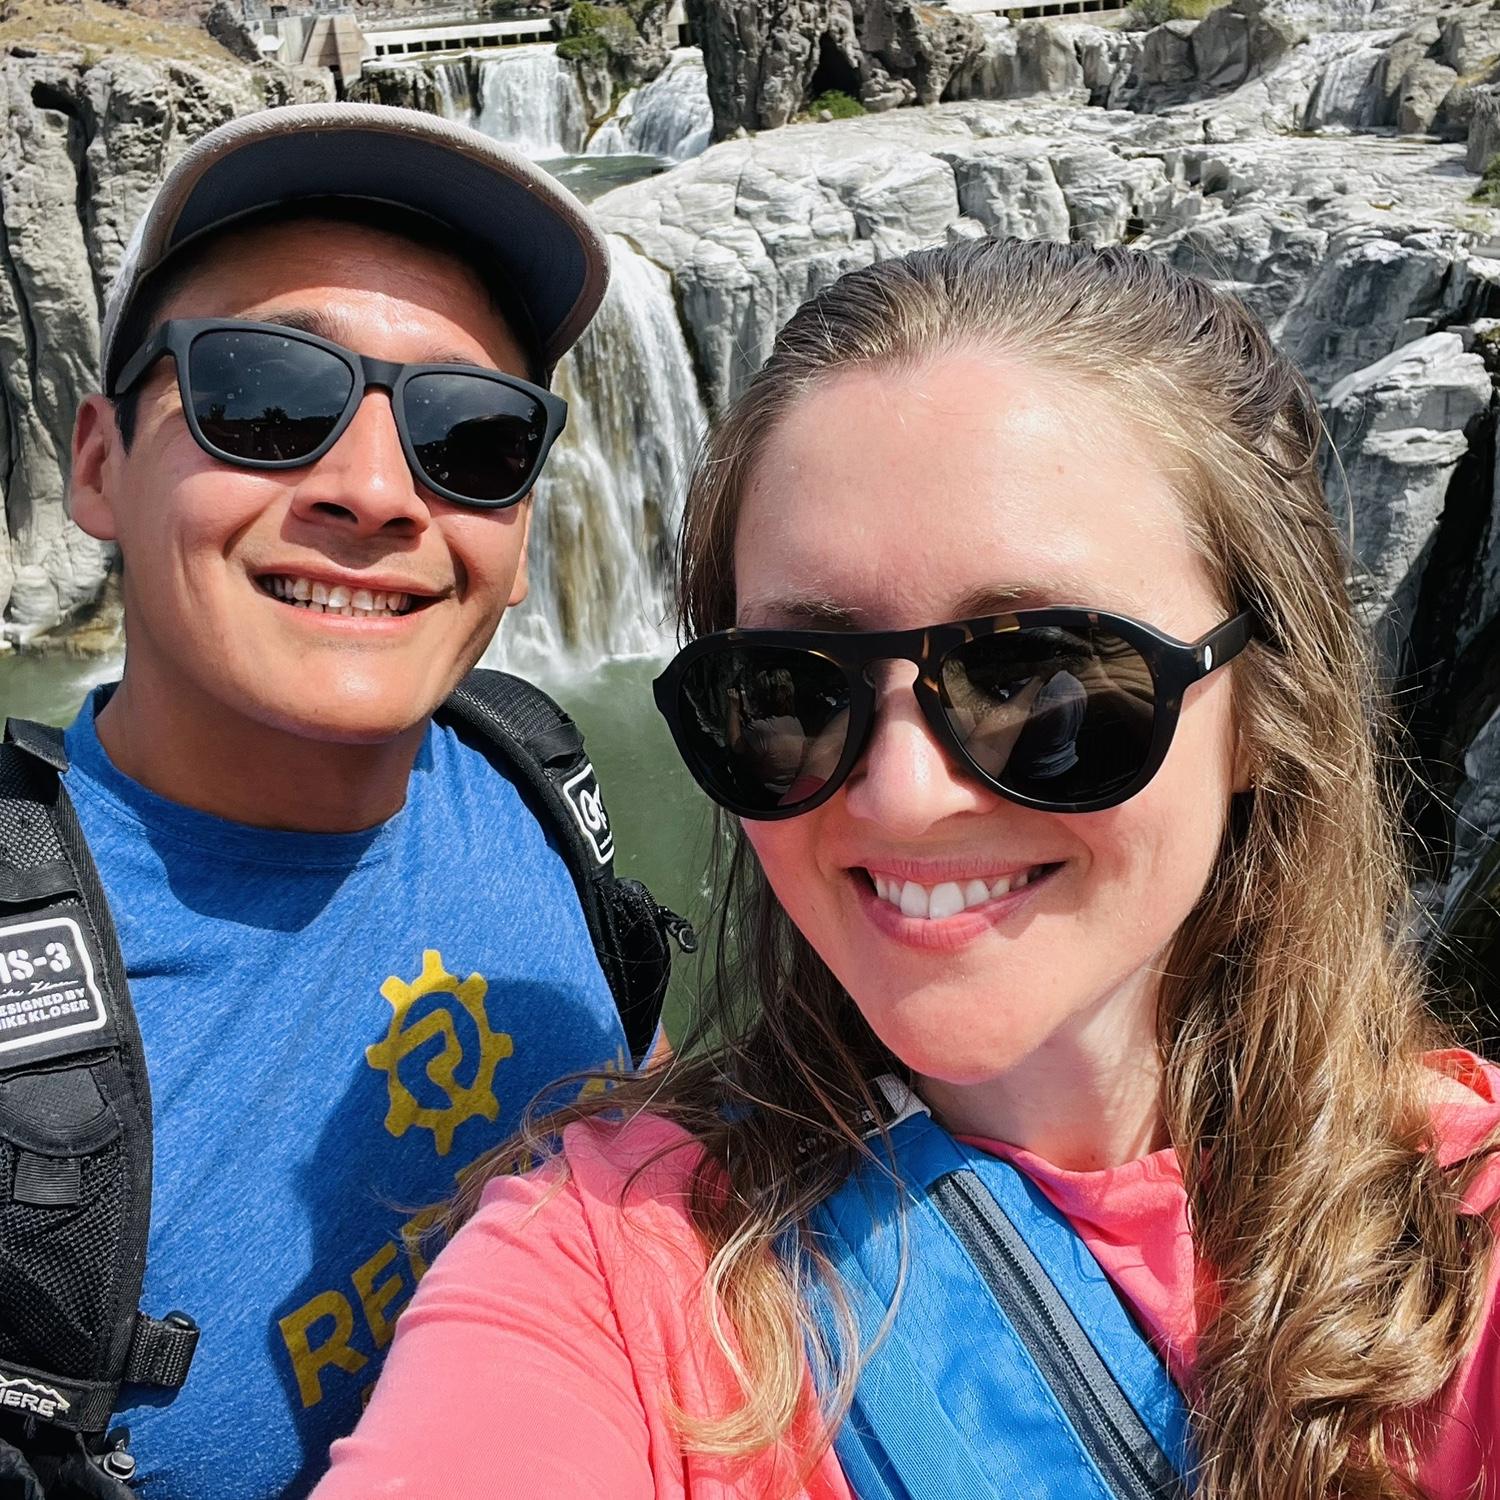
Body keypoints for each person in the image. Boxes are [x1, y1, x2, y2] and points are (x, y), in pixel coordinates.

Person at [311, 239, 1500, 1498]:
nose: (900, 793)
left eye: (1041, 680)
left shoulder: (1465, 1227)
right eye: (787, 689)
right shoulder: (607, 1261)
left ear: (1260, 705)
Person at [0, 103, 662, 1500]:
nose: (372, 492)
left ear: (525, 530)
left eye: (472, 437)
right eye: (264, 398)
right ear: (100, 463)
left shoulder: (533, 774)